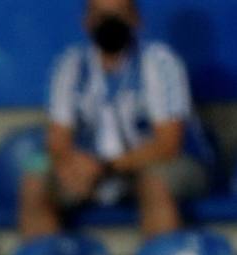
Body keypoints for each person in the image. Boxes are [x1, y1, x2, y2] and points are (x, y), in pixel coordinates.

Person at [19, 0, 209, 240]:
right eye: (99, 15)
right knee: (34, 171)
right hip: (94, 169)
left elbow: (167, 145)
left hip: (158, 164)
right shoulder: (70, 65)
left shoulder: (160, 62)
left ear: (136, 19)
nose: (109, 23)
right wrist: (72, 164)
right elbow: (57, 140)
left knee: (154, 180)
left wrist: (105, 167)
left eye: (118, 14)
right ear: (86, 22)